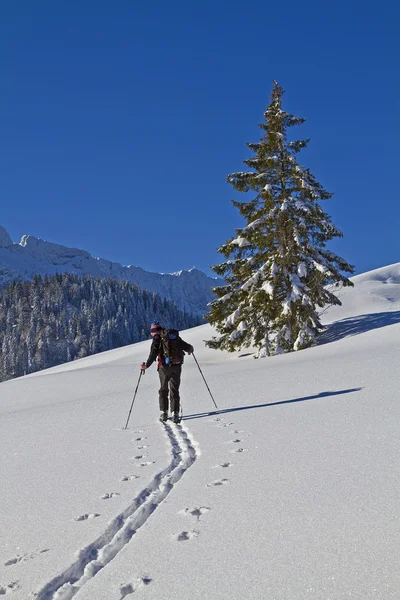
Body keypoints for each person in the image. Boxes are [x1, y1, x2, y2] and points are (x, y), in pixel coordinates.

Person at [141, 323, 194, 423]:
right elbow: (186, 347)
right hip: (177, 366)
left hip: (164, 368)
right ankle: (175, 414)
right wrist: (191, 349)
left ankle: (164, 413)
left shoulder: (157, 338)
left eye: (152, 331)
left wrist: (146, 365)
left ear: (155, 331)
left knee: (163, 389)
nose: (152, 333)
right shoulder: (173, 335)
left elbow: (153, 354)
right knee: (174, 389)